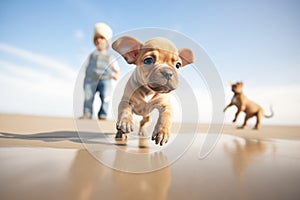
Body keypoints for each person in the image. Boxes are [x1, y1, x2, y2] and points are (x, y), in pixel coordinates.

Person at [80, 22, 120, 120]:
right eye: (97, 39)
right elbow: (86, 66)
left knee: (105, 97)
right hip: (90, 79)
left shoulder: (110, 56)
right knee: (88, 97)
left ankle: (103, 115)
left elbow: (116, 69)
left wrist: (116, 75)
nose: (99, 40)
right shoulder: (91, 55)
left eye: (101, 38)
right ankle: (87, 113)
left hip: (105, 79)